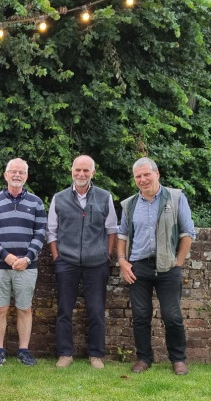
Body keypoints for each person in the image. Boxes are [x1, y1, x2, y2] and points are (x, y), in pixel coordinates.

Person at [116, 157, 196, 375]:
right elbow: (121, 234)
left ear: (157, 173)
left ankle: (178, 360)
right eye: (138, 176)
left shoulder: (176, 198)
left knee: (172, 316)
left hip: (168, 267)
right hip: (139, 267)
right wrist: (122, 261)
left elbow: (187, 233)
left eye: (146, 175)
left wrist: (178, 262)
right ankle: (144, 358)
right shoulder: (129, 204)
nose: (142, 179)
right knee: (141, 316)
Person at [47, 155, 118, 369]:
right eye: (78, 170)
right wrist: (56, 257)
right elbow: (51, 231)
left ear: (93, 173)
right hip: (66, 261)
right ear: (71, 171)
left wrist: (107, 254)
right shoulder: (59, 198)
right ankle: (65, 354)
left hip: (97, 262)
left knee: (96, 310)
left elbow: (112, 229)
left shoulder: (105, 197)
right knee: (64, 310)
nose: (81, 174)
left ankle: (96, 355)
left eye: (86, 171)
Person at [0, 158, 47, 367]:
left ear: (26, 176)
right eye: (13, 172)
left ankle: (24, 350)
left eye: (21, 172)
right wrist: (6, 256)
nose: (17, 175)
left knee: (24, 309)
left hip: (26, 266)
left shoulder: (36, 202)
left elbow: (41, 233)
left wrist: (27, 258)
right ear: (6, 175)